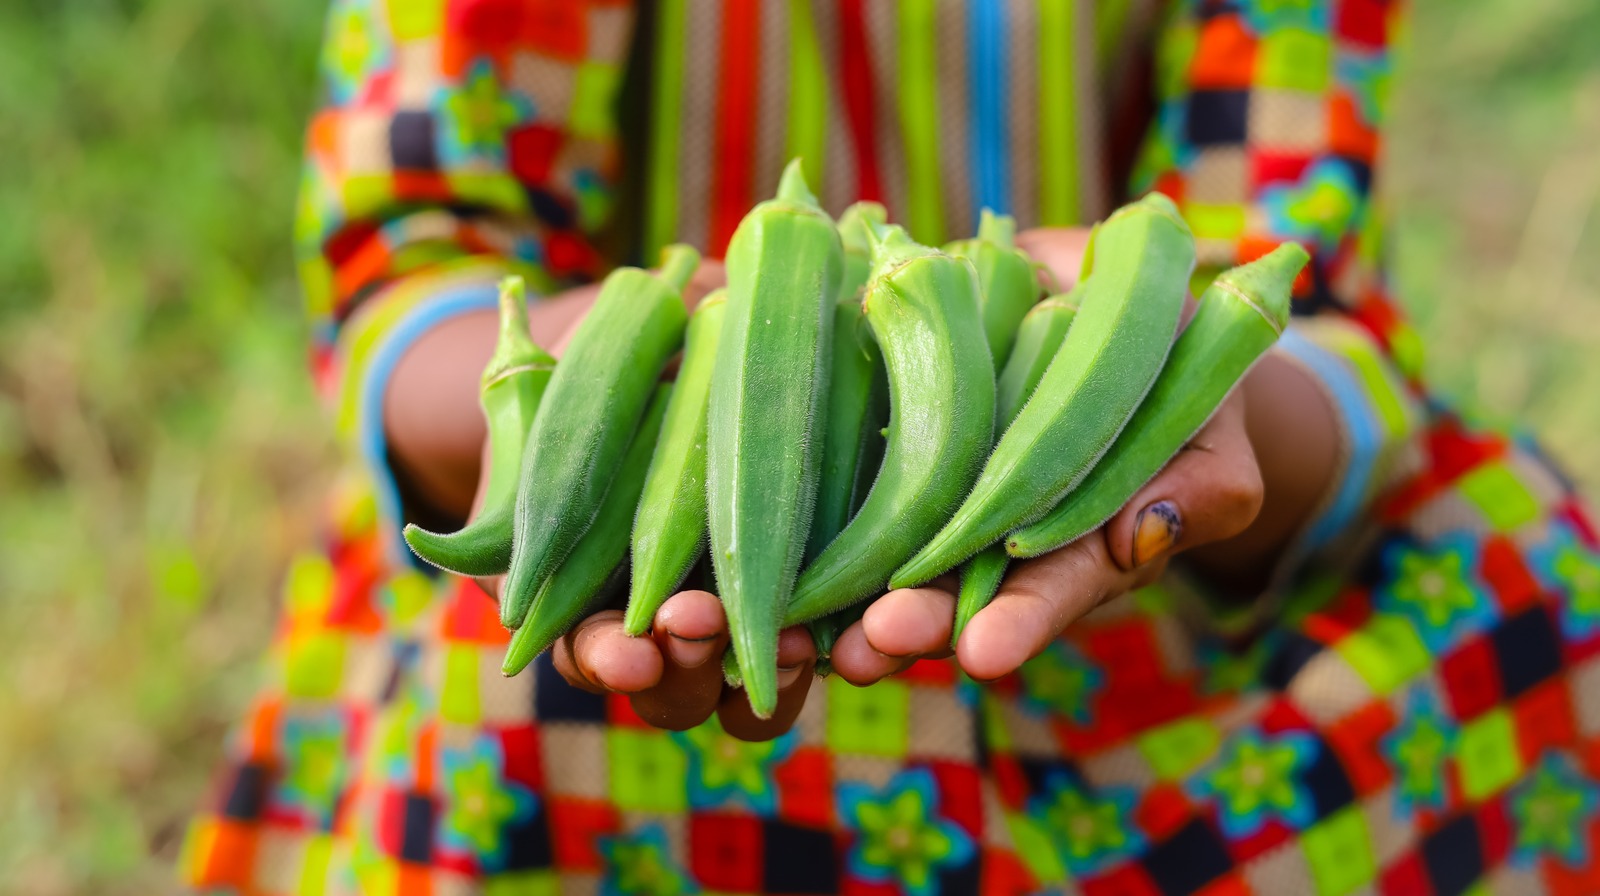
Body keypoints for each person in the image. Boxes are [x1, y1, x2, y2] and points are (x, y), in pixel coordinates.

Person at [184, 1, 1600, 893]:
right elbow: (415, 277)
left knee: (1529, 577)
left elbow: (1298, 285)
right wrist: (584, 385)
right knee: (512, 704)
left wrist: (1184, 382)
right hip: (626, 504)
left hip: (1087, 551)